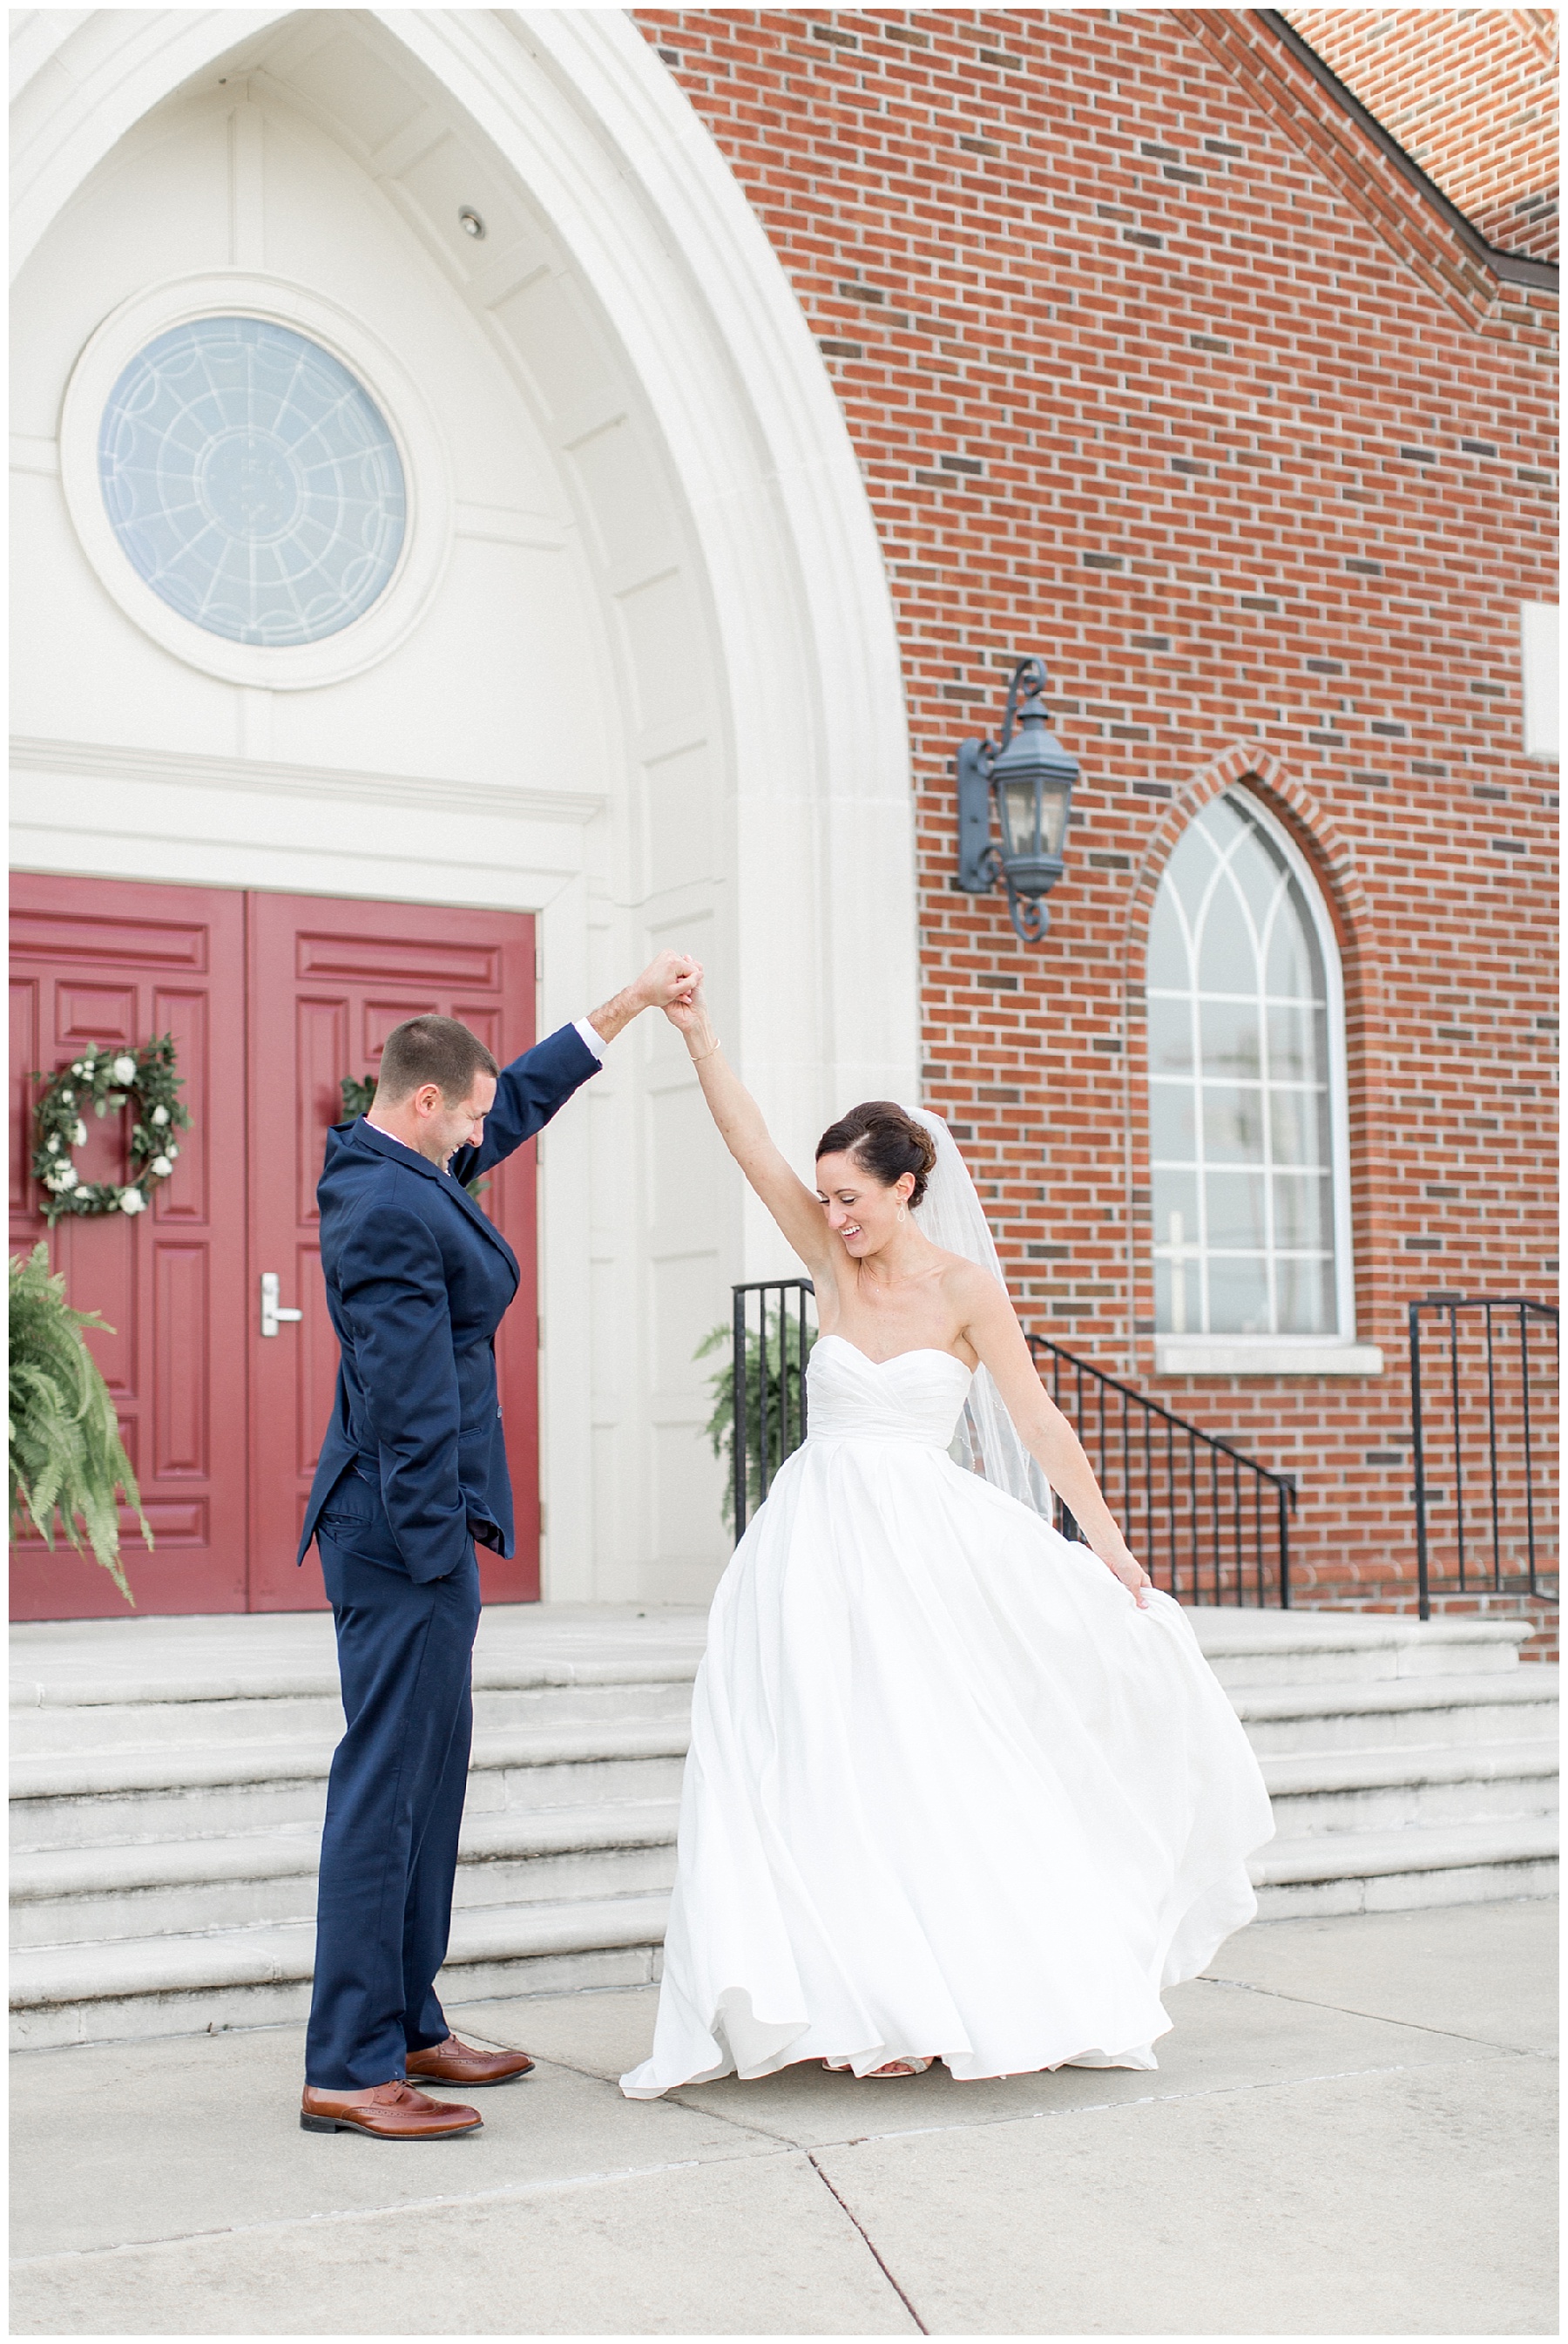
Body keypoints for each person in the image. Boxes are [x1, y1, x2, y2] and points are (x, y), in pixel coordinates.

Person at [620, 980, 1274, 2097]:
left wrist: (1111, 1548)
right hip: (812, 1547)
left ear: (906, 1185)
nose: (833, 1215)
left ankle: (935, 1995)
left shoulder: (967, 1290)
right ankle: (837, 1997)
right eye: (824, 1198)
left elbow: (1036, 1420)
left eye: (851, 1197)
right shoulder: (831, 1265)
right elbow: (748, 1141)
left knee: (920, 1759)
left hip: (922, 1548)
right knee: (808, 1761)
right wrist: (697, 1036)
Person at [298, 954, 700, 2142]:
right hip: (402, 1538)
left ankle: (410, 2016)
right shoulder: (380, 1203)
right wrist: (439, 1557)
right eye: (469, 1115)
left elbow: (512, 1095)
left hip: (424, 1534)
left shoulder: (407, 1158)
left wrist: (621, 1008)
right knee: (384, 1794)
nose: (487, 1129)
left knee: (428, 1786)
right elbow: (409, 1401)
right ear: (426, 1103)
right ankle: (349, 2063)